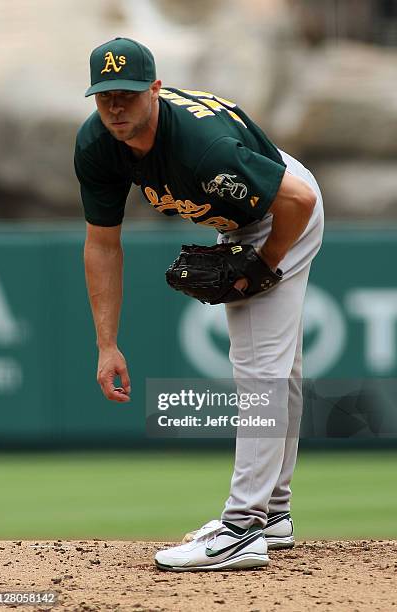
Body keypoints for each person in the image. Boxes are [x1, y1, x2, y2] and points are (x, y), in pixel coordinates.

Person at [74, 37, 324, 572]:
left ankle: (242, 527)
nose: (116, 106)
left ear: (155, 90)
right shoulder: (97, 144)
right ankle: (273, 514)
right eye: (104, 95)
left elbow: (297, 200)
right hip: (246, 214)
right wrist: (107, 343)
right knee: (279, 367)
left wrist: (262, 266)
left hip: (281, 214)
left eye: (128, 93)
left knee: (259, 367)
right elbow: (102, 242)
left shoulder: (200, 146)